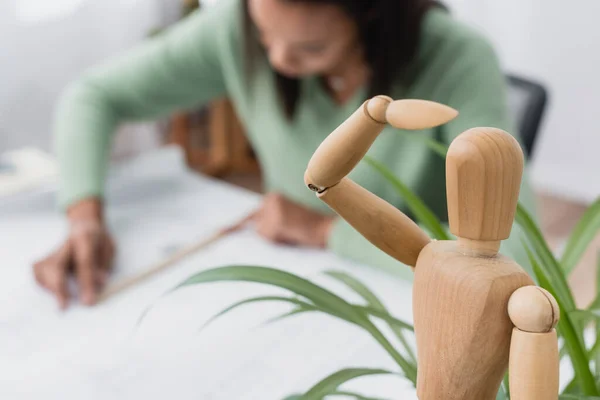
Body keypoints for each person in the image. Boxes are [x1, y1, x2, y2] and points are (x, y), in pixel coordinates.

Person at [33, 0, 537, 309]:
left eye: (310, 48)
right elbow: (92, 96)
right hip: (287, 274)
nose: (276, 59)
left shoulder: (458, 59)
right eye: (264, 33)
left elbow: (518, 261)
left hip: (405, 297)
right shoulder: (237, 29)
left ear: (374, 15)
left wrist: (325, 232)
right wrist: (84, 218)